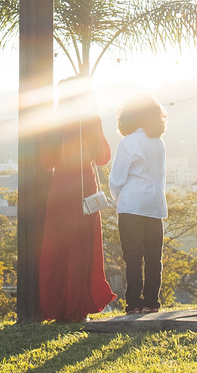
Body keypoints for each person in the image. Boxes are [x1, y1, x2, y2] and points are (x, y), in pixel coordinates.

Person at [38, 78, 114, 322]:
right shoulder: (91, 120)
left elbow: (47, 161)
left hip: (60, 187)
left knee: (58, 247)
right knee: (82, 247)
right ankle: (77, 308)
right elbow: (103, 158)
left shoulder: (53, 122)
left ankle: (57, 307)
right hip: (84, 187)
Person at [109, 93, 168, 315]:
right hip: (154, 205)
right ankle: (152, 302)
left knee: (133, 258)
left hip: (131, 206)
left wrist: (119, 200)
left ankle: (134, 304)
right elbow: (161, 177)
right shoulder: (159, 143)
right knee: (154, 258)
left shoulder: (127, 143)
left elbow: (117, 180)